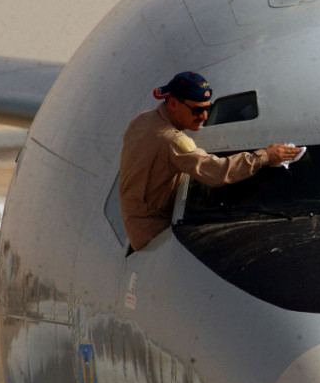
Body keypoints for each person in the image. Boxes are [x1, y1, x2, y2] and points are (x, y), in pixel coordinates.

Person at [119, 71, 302, 251]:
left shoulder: (142, 120)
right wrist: (266, 156)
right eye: (197, 110)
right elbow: (218, 172)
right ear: (173, 104)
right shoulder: (173, 141)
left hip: (135, 225)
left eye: (207, 108)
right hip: (154, 234)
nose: (204, 116)